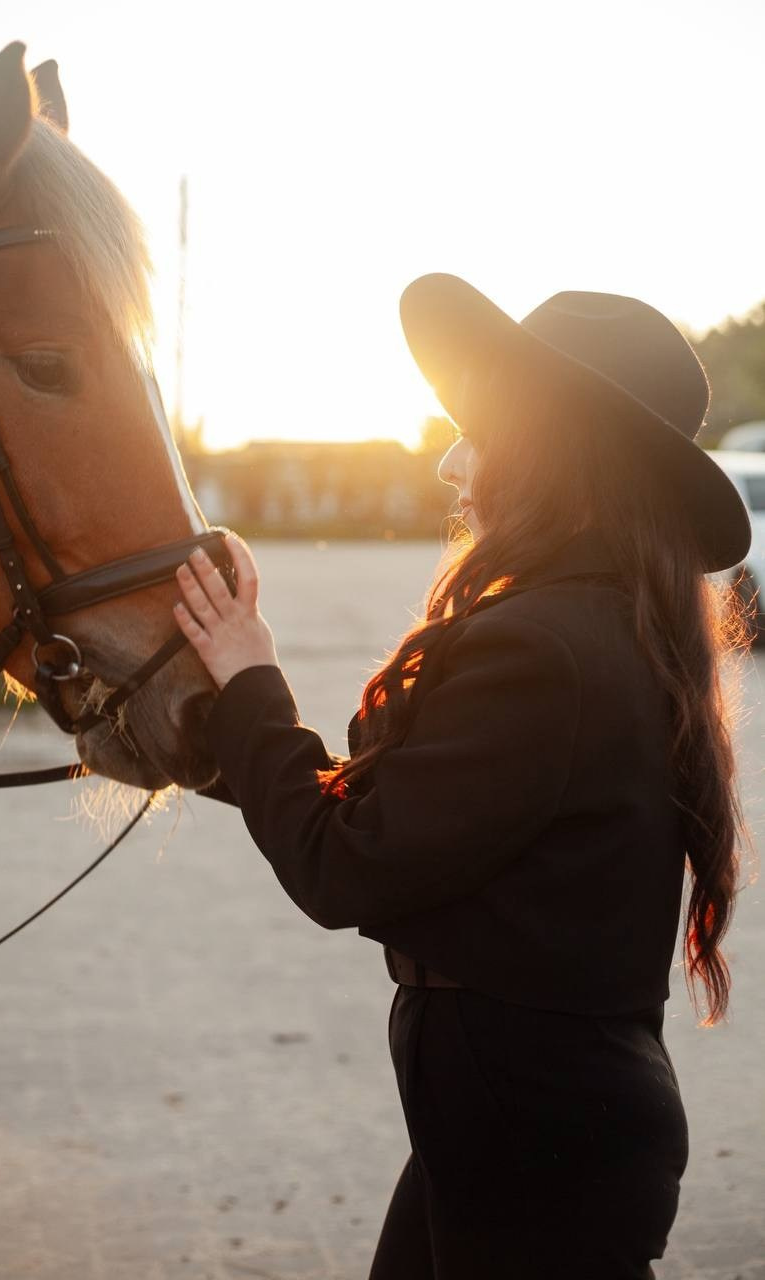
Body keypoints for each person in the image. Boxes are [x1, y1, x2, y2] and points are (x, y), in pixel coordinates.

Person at [172, 274, 753, 1279]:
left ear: (548, 457)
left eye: (474, 431)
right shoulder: (594, 623)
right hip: (515, 1131)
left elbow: (345, 863)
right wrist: (205, 728)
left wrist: (250, 679)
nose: (449, 460)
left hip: (541, 1147)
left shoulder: (547, 648)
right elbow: (398, 805)